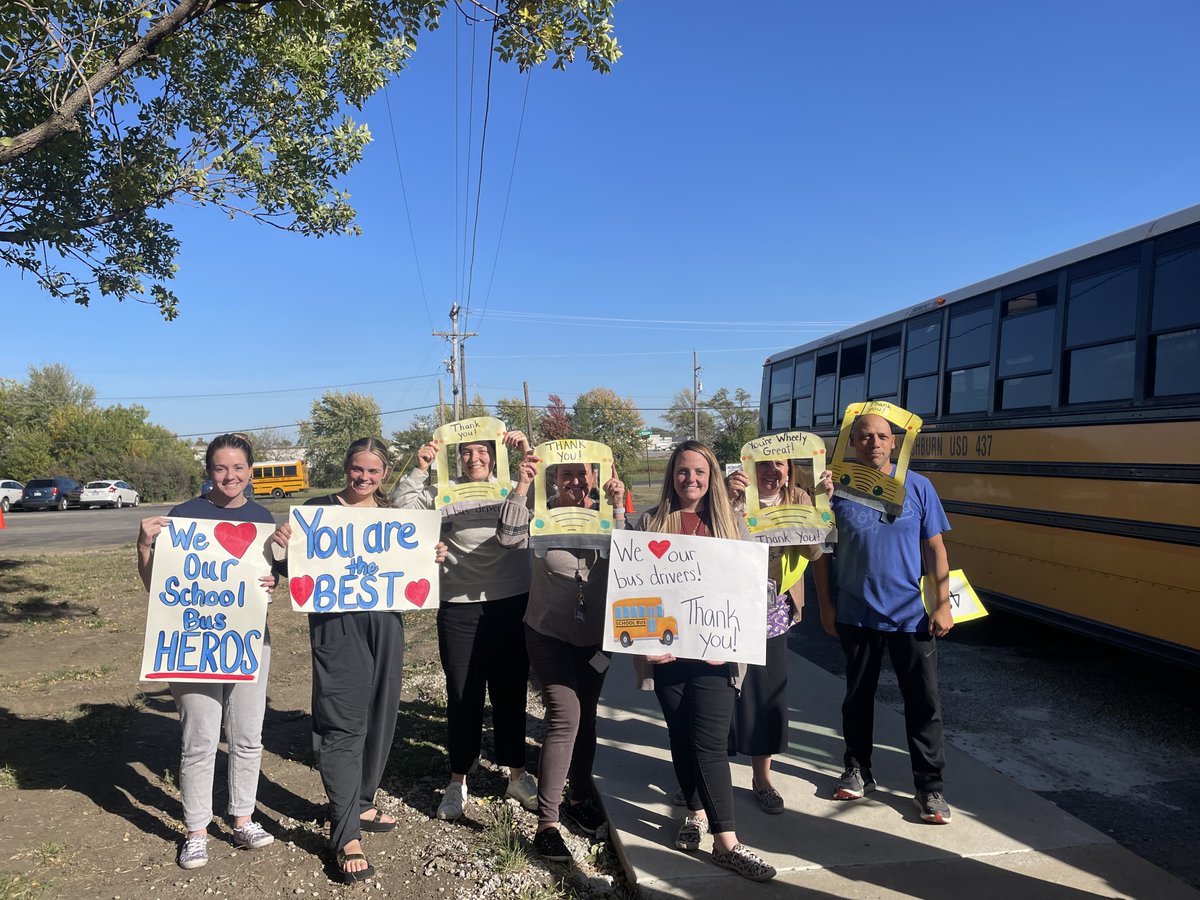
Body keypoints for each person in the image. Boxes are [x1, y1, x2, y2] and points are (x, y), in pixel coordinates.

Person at [270, 437, 448, 882]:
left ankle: (363, 801)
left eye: (373, 471)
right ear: (345, 467)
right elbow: (294, 571)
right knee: (343, 724)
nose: (364, 477)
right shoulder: (317, 511)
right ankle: (345, 833)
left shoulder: (394, 516)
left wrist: (431, 556)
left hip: (386, 624)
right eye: (357, 468)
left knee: (380, 718)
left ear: (384, 473)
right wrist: (281, 549)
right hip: (337, 626)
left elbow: (412, 565)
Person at [631, 440, 776, 882]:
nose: (690, 479)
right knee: (680, 734)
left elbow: (751, 590)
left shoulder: (733, 525)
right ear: (671, 475)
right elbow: (634, 587)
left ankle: (726, 843)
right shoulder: (650, 522)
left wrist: (732, 641)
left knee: (709, 743)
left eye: (699, 471)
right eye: (682, 471)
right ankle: (694, 813)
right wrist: (642, 641)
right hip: (667, 653)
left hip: (716, 655)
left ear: (711, 476)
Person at [136, 433, 277, 871]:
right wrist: (144, 546)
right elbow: (157, 587)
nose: (230, 476)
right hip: (194, 642)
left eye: (238, 468)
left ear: (250, 471)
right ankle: (196, 831)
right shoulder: (183, 518)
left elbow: (266, 581)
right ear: (209, 471)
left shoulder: (262, 518)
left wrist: (273, 582)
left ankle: (243, 818)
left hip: (248, 641)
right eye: (220, 468)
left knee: (247, 736)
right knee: (199, 738)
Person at [813, 413, 954, 824]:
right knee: (857, 698)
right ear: (852, 443)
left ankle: (929, 787)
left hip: (912, 616)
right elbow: (821, 552)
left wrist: (942, 603)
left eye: (881, 436)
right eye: (864, 437)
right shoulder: (836, 488)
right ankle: (858, 769)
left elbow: (935, 548)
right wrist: (826, 605)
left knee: (923, 703)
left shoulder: (919, 486)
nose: (873, 443)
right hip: (857, 614)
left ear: (895, 442)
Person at [394, 431, 539, 821]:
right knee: (462, 694)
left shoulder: (515, 486)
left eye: (482, 451)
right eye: (466, 451)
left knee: (510, 692)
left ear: (494, 454)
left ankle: (516, 774)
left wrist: (528, 452)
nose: (475, 458)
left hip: (512, 601)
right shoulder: (444, 492)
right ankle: (458, 779)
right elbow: (402, 509)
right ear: (456, 456)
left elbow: (549, 497)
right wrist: (420, 468)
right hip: (458, 606)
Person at [496, 456, 626, 861]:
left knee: (587, 717)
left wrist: (618, 507)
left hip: (596, 637)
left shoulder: (605, 513)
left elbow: (631, 559)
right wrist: (521, 486)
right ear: (554, 478)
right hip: (547, 631)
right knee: (565, 716)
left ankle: (579, 796)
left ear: (594, 477)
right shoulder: (541, 516)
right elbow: (507, 537)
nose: (575, 481)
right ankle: (547, 824)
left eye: (582, 474)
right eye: (566, 474)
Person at [725, 459, 833, 815]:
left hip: (773, 610)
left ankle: (762, 778)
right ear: (750, 465)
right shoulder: (730, 495)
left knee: (766, 694)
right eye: (765, 464)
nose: (772, 471)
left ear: (790, 469)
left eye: (780, 465)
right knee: (718, 692)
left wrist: (820, 508)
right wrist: (727, 499)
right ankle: (704, 776)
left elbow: (816, 552)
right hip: (725, 608)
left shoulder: (799, 497)